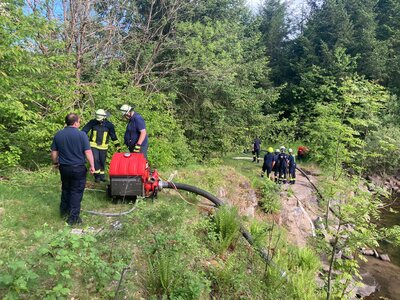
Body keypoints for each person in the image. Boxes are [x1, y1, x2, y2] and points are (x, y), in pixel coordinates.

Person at [51, 113, 95, 225]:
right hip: (78, 168)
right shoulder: (82, 135)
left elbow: (54, 152)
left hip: (64, 168)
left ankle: (63, 212)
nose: (80, 123)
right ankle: (73, 218)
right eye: (79, 121)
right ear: (75, 122)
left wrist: (55, 163)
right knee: (76, 191)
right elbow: (88, 152)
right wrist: (92, 166)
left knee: (66, 189)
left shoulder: (59, 135)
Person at [82, 109, 121, 183]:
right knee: (95, 159)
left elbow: (113, 136)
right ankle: (97, 177)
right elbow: (84, 131)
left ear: (104, 117)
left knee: (102, 161)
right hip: (93, 145)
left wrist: (117, 145)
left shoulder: (109, 125)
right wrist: (82, 140)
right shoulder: (92, 122)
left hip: (104, 146)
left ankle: (102, 176)